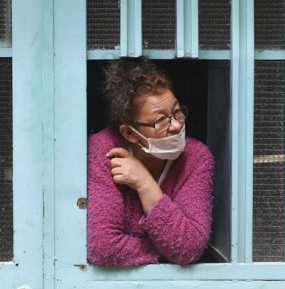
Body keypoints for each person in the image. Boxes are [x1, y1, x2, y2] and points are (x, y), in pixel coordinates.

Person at [87, 57, 214, 266]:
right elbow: (102, 246)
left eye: (177, 112)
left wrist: (145, 184)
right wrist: (166, 252)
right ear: (130, 133)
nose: (175, 126)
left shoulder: (196, 157)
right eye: (160, 120)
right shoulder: (102, 152)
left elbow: (189, 248)